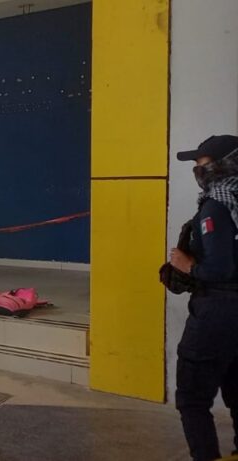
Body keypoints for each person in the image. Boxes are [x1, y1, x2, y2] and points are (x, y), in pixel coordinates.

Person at [169, 135, 238, 461]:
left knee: (192, 399)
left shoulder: (217, 206)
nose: (199, 172)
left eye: (204, 165)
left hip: (218, 313)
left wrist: (187, 266)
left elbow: (220, 269)